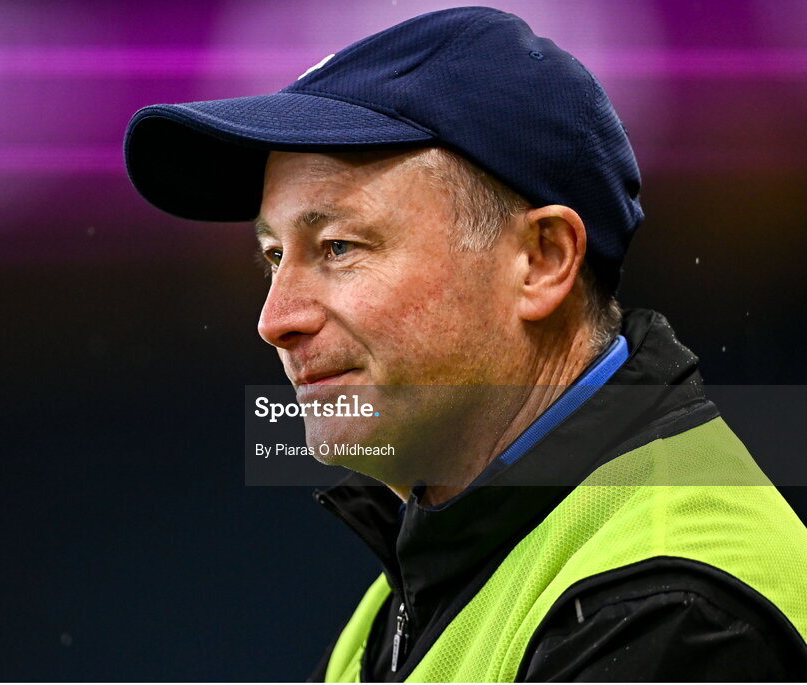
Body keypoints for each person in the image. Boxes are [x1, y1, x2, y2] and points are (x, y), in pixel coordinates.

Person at [123, 7, 807, 681]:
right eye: (275, 257)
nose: (277, 319)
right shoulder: (415, 586)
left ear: (541, 259)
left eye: (338, 247)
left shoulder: (670, 608)